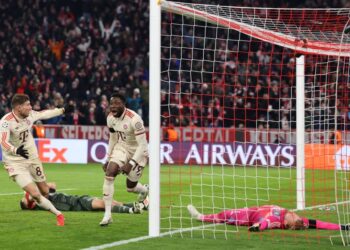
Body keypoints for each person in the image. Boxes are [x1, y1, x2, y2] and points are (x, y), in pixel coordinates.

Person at [0, 94, 65, 226]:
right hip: (15, 162)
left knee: (45, 192)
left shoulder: (30, 115)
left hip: (32, 158)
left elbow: (44, 113)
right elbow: (3, 141)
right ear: (18, 107)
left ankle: (29, 194)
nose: (31, 108)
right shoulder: (6, 121)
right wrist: (16, 150)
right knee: (36, 194)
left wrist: (61, 110)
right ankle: (59, 214)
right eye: (28, 105)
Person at [100, 93, 149, 226]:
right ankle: (108, 214)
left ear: (123, 105)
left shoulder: (135, 119)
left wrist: (131, 163)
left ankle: (145, 190)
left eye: (117, 104)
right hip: (122, 148)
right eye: (111, 104)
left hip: (138, 151)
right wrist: (108, 158)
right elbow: (113, 138)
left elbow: (143, 145)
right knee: (109, 172)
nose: (113, 107)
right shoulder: (110, 118)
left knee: (131, 188)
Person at [187, 204, 350, 232]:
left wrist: (257, 227)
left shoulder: (275, 219)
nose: (297, 215)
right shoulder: (300, 220)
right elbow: (320, 224)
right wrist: (342, 227)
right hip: (254, 209)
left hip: (246, 216)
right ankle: (202, 216)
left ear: (287, 223)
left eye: (295, 218)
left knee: (224, 215)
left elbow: (264, 223)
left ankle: (200, 216)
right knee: (224, 214)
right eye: (297, 216)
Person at [20, 190, 149, 214]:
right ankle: (132, 210)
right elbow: (49, 187)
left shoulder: (41, 200)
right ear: (30, 204)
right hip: (76, 204)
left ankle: (135, 205)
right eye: (26, 198)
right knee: (103, 203)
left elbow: (52, 186)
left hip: (75, 200)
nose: (27, 195)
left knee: (106, 201)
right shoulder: (42, 204)